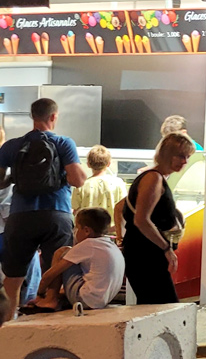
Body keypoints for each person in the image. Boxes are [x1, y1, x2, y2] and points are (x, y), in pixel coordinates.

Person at [0, 98, 90, 322]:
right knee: (55, 266)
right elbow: (78, 180)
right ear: (53, 116)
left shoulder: (12, 146)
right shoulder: (63, 143)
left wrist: (15, 178)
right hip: (56, 213)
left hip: (20, 216)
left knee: (13, 274)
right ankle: (49, 306)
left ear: (32, 116)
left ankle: (8, 320)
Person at [121, 133, 193, 305]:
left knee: (156, 305)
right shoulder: (153, 178)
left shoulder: (155, 177)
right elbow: (141, 220)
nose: (184, 162)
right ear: (167, 154)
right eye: (180, 156)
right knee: (163, 305)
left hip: (143, 250)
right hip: (145, 253)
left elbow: (120, 208)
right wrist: (166, 248)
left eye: (187, 157)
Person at [30, 207, 123, 312]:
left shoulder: (88, 244)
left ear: (86, 230)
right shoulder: (110, 245)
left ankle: (50, 299)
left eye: (76, 228)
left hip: (84, 299)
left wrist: (40, 294)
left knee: (62, 252)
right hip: (101, 301)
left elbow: (50, 275)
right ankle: (55, 297)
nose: (74, 232)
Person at [72, 145, 127, 237]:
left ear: (88, 164)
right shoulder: (118, 183)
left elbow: (76, 212)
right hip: (112, 233)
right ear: (108, 164)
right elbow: (123, 209)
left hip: (88, 234)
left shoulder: (81, 185)